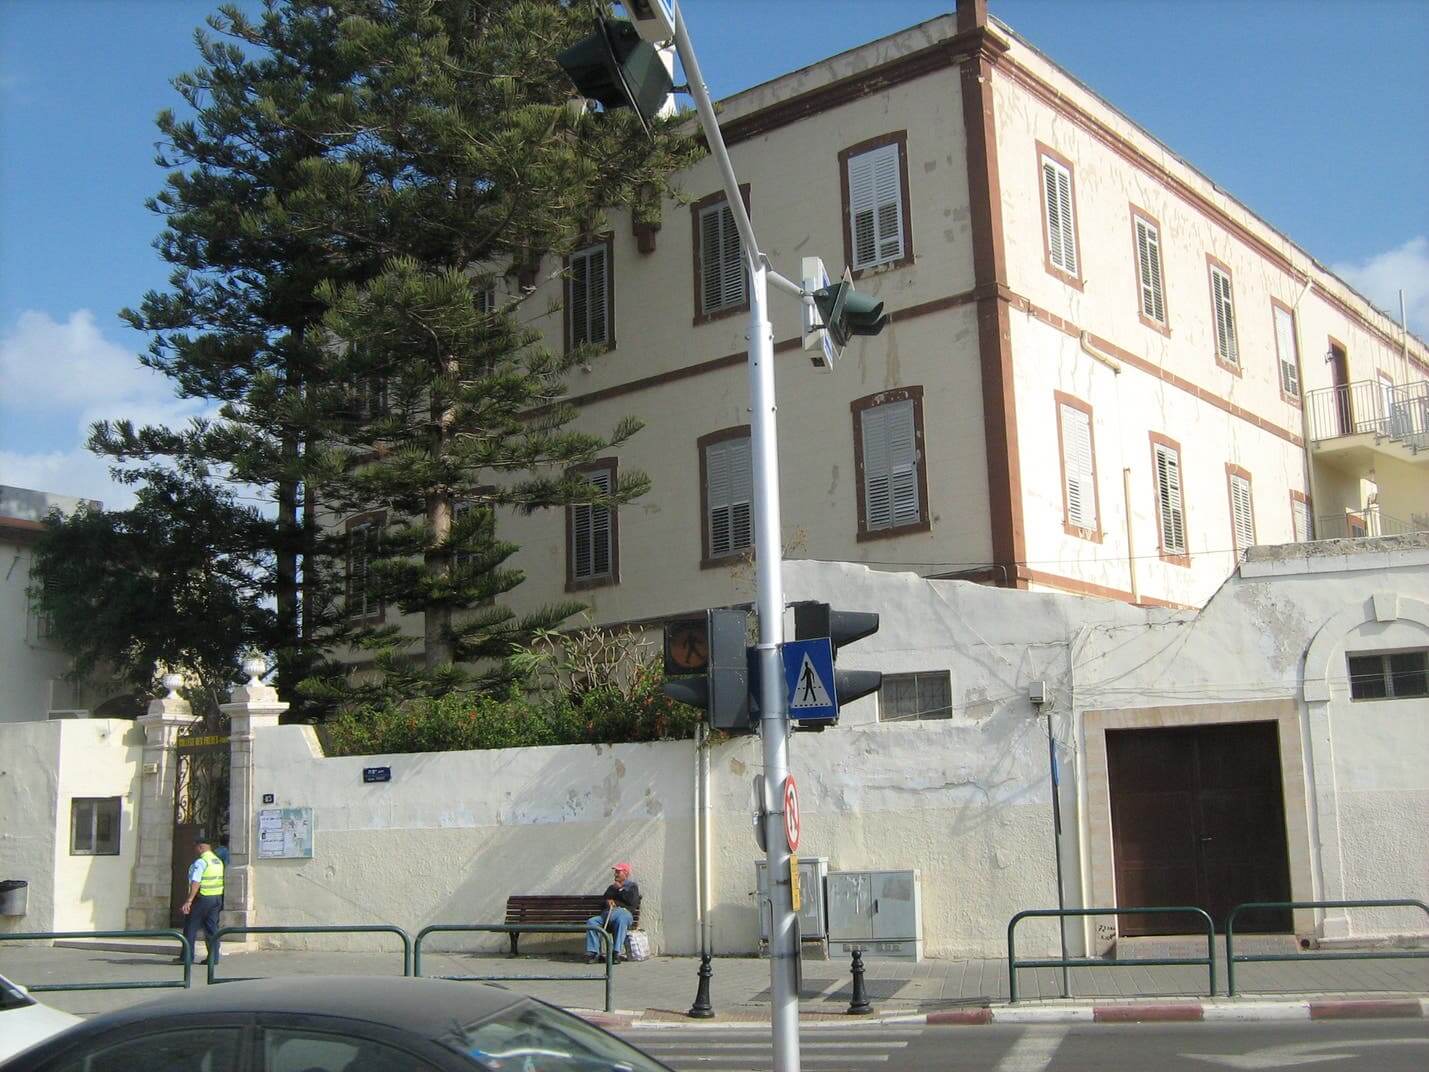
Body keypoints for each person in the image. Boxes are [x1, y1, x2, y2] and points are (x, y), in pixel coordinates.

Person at [179, 834, 225, 965]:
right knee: (211, 929)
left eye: (196, 847)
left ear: (200, 847)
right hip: (216, 898)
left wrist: (189, 900)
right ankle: (213, 958)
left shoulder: (201, 862)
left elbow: (196, 881)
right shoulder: (217, 861)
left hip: (202, 898)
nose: (195, 850)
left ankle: (186, 958)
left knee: (190, 927)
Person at [585, 862, 640, 964]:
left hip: (623, 913)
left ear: (626, 873)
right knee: (592, 922)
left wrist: (620, 890)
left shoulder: (632, 887)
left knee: (621, 920)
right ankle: (594, 953)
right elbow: (602, 902)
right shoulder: (612, 887)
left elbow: (632, 902)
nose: (615, 874)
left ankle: (616, 953)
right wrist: (607, 902)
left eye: (618, 872)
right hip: (607, 915)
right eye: (615, 872)